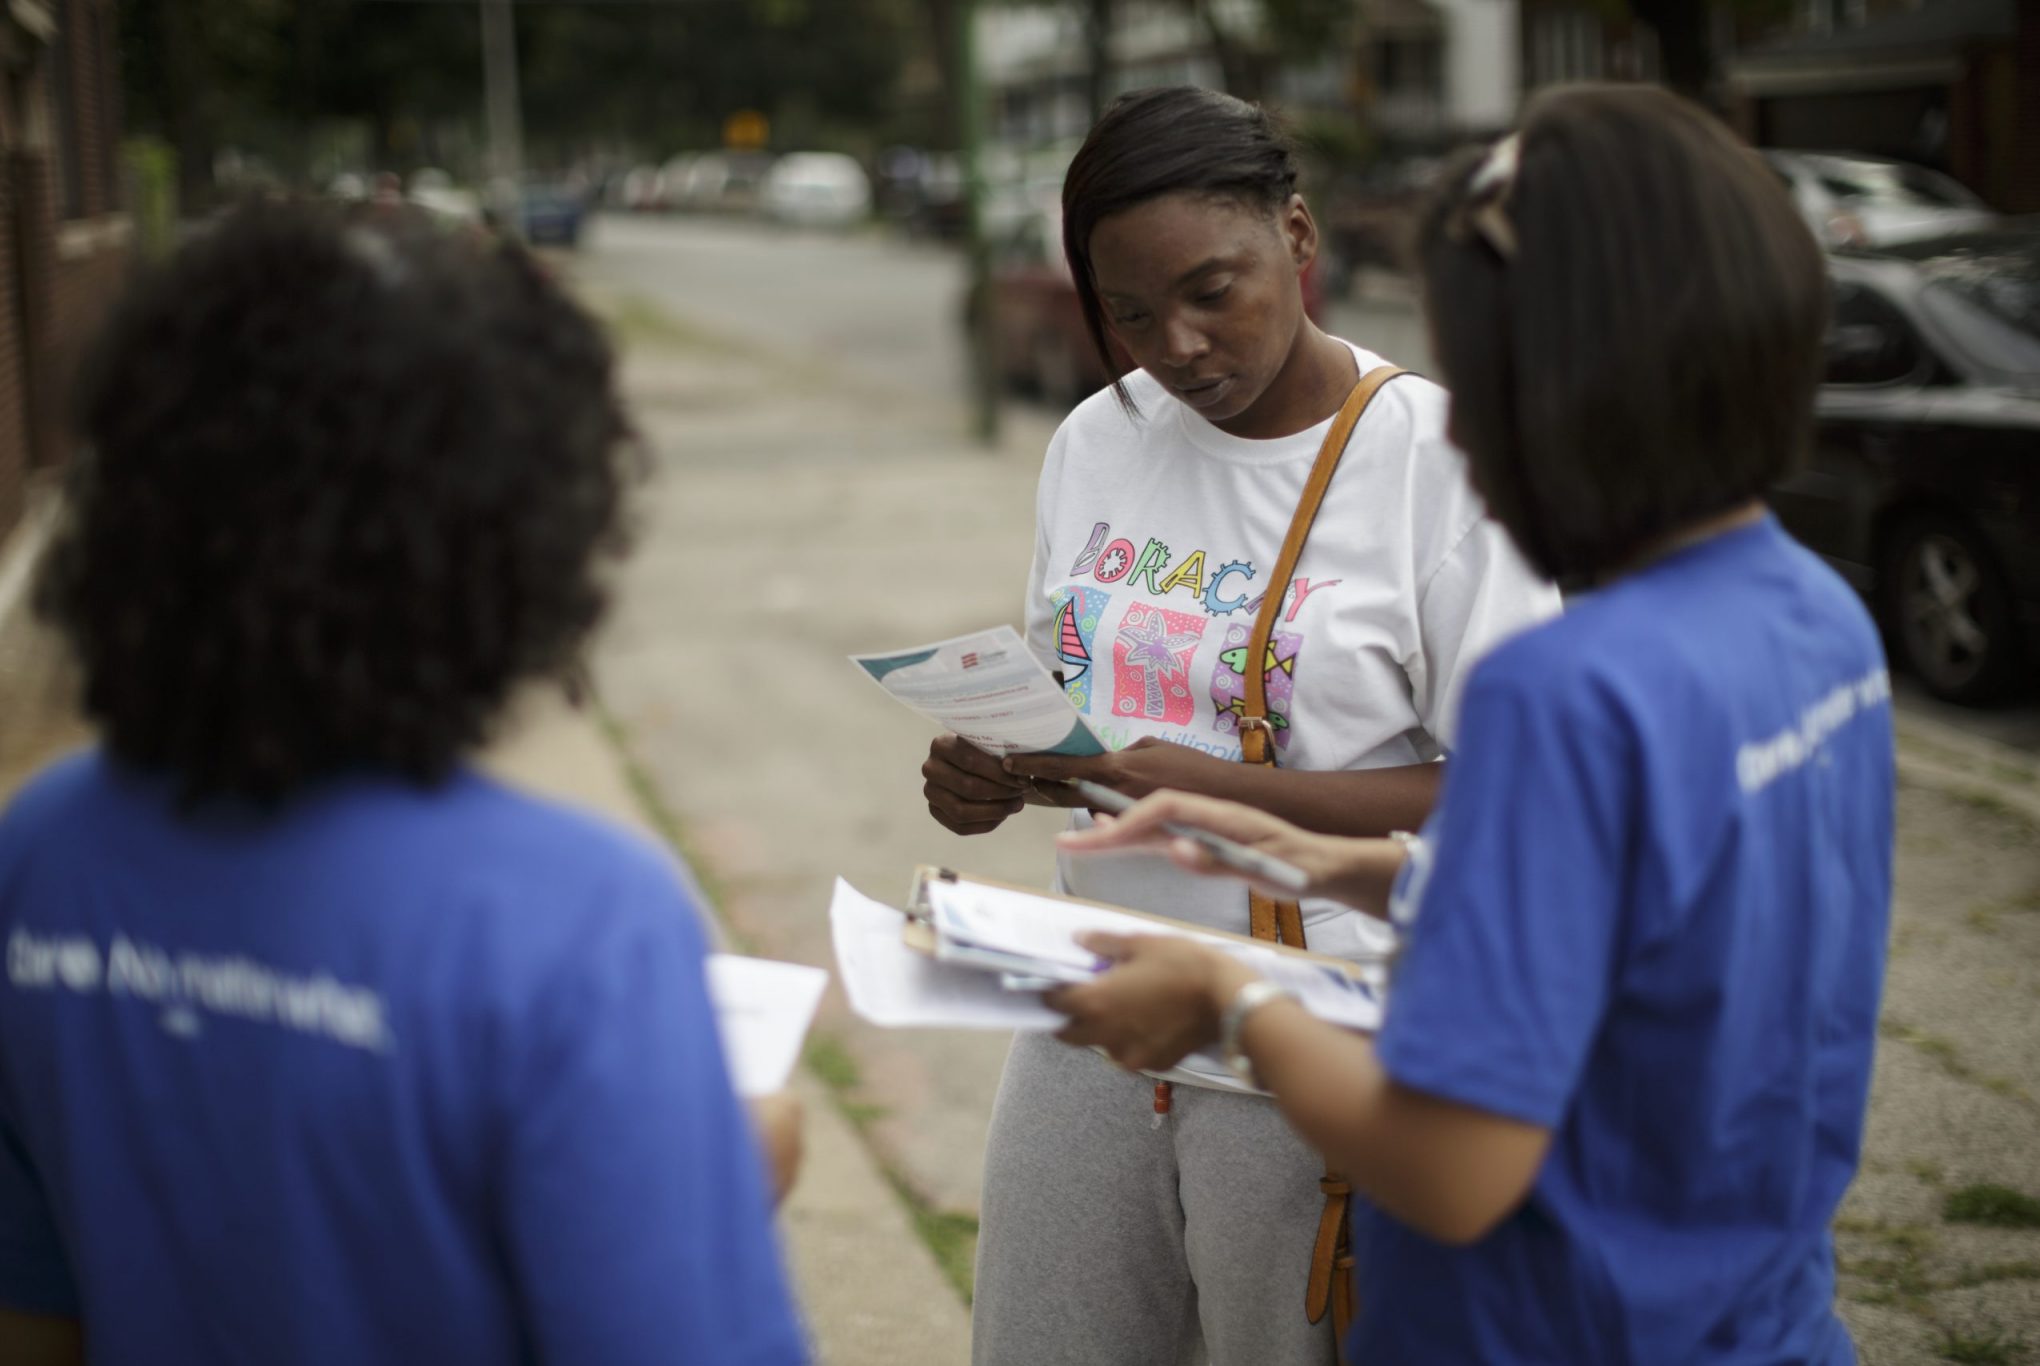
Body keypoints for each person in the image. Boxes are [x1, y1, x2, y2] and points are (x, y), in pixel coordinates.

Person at [1049, 84, 1895, 1364]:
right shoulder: (1811, 618)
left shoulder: (1565, 694)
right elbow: (1652, 924)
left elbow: (1453, 1168)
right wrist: (1343, 868)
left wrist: (1231, 997)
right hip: (1748, 1311)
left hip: (1548, 1323)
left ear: (1549, 391)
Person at [0, 203, 808, 1366]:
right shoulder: (581, 922)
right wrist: (715, 1176)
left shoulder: (43, 850)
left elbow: (34, 1312)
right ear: (513, 532)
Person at [919, 87, 1558, 1365]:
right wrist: (1005, 769)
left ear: (1299, 237)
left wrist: (1220, 787)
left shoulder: (1442, 462)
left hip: (1316, 1021)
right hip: (1093, 992)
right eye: (1130, 312)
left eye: (1213, 290)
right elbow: (1100, 718)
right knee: (1042, 1338)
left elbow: (1523, 791)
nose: (1179, 345)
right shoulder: (1096, 440)